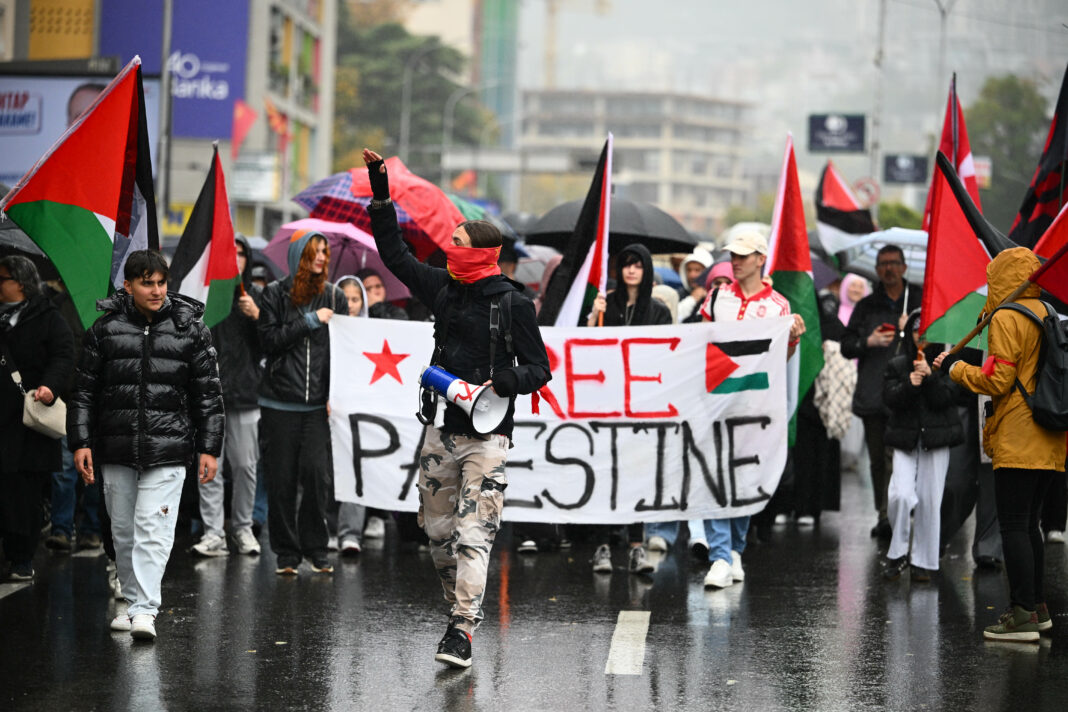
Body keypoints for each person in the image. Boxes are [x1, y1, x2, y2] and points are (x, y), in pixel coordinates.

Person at [364, 148, 551, 669]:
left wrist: (506, 380)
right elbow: (395, 255)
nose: (450, 249)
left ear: (483, 254)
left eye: (459, 243)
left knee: (474, 533)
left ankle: (463, 628)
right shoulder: (443, 288)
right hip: (440, 431)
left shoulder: (514, 304)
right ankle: (457, 612)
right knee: (438, 533)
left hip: (488, 438)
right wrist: (382, 195)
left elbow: (540, 370)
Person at [68, 250, 223, 641]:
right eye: (146, 283)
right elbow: (83, 392)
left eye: (161, 282)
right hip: (116, 446)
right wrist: (81, 441)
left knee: (153, 527)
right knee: (122, 531)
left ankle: (144, 610)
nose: (156, 291)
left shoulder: (191, 329)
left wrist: (209, 447)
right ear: (128, 285)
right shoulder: (104, 330)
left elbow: (208, 395)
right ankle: (134, 602)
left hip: (168, 448)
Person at [934, 247, 1066, 643]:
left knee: (1013, 525)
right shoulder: (1047, 312)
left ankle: (1022, 615)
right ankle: (1037, 608)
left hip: (1019, 436)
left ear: (1002, 278)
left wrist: (955, 367)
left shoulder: (1007, 317)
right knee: (1030, 525)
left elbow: (997, 380)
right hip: (1051, 435)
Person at [697, 230, 805, 589]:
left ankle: (735, 549)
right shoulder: (717, 297)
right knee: (714, 476)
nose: (736, 261)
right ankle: (719, 555)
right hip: (716, 400)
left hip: (755, 403)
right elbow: (700, 343)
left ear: (761, 259)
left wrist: (792, 339)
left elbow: (780, 359)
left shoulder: (778, 306)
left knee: (745, 478)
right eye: (733, 254)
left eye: (743, 255)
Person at [257, 230, 348, 576]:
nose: (321, 257)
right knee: (280, 480)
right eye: (314, 251)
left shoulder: (335, 296)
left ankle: (316, 548)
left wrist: (337, 394)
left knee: (315, 477)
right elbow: (268, 340)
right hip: (279, 403)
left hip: (317, 407)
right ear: (299, 255)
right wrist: (310, 320)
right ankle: (286, 553)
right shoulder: (273, 293)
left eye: (324, 251)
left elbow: (346, 350)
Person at [587, 243, 672, 576]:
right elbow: (587, 349)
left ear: (647, 270)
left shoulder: (659, 311)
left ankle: (636, 546)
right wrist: (593, 318)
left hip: (641, 404)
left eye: (638, 265)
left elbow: (665, 354)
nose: (632, 270)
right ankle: (603, 545)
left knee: (636, 475)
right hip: (606, 402)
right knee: (604, 472)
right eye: (626, 264)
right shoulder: (606, 305)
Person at [0, 256, 74, 581]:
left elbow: (64, 356)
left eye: (2, 278)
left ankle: (22, 555)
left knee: (24, 492)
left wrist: (50, 387)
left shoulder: (48, 317)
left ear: (21, 283)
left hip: (28, 419)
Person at [840, 246, 922, 539]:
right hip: (873, 391)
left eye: (894, 263)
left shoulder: (918, 300)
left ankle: (901, 510)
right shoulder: (866, 306)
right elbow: (846, 345)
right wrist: (868, 341)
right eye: (883, 264)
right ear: (876, 270)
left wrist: (911, 330)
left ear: (904, 267)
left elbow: (936, 341)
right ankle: (884, 514)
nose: (889, 269)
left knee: (903, 456)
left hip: (909, 392)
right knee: (878, 459)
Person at [191, 235, 264, 558]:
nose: (236, 258)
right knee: (210, 466)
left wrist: (257, 317)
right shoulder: (205, 295)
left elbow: (270, 344)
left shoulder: (255, 296)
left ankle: (243, 527)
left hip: (245, 394)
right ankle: (213, 532)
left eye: (241, 253)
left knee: (246, 466)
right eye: (230, 252)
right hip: (210, 394)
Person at [880, 310, 963, 583]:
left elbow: (948, 398)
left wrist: (930, 377)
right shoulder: (898, 363)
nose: (921, 336)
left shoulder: (946, 362)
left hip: (936, 440)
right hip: (905, 440)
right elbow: (889, 399)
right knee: (900, 496)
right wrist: (909, 384)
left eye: (926, 331)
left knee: (930, 500)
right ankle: (897, 552)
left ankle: (923, 561)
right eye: (916, 331)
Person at [676, 247, 713, 322]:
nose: (692, 275)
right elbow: (674, 318)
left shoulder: (716, 295)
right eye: (689, 270)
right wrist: (692, 299)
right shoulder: (678, 294)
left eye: (697, 270)